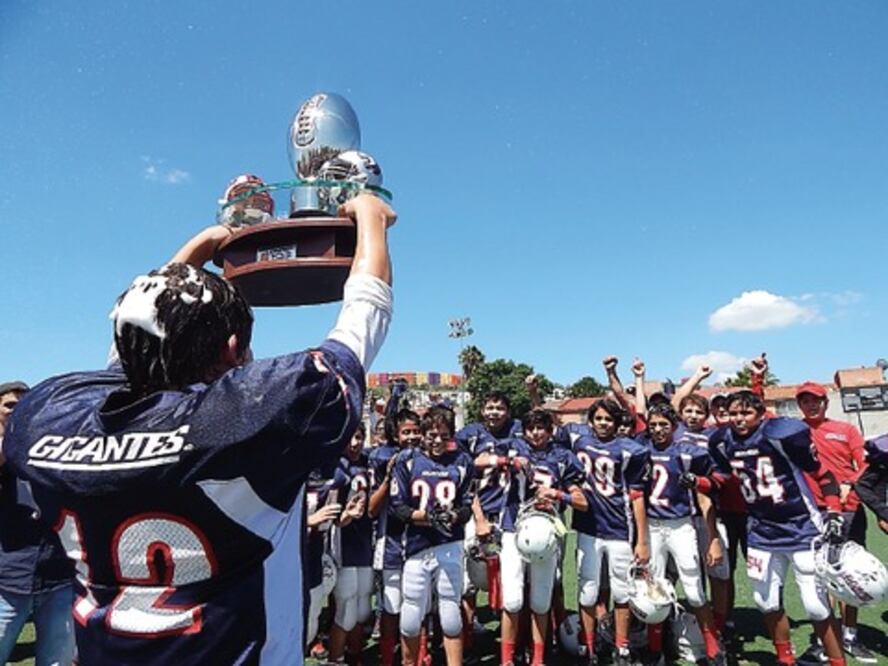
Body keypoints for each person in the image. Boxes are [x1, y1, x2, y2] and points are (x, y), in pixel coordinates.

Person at [3, 194, 396, 665]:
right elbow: (361, 321)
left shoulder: (44, 419)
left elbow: (128, 358)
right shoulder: (243, 428)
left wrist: (199, 246)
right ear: (232, 349)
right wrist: (371, 217)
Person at [708, 391, 847, 666]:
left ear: (761, 415)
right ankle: (785, 659)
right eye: (734, 413)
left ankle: (837, 661)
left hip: (801, 527)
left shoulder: (779, 435)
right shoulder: (722, 441)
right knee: (766, 601)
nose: (738, 419)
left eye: (746, 413)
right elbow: (720, 478)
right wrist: (699, 482)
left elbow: (823, 475)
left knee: (816, 606)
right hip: (761, 531)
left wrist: (833, 510)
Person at [498, 409, 587, 666]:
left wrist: (558, 495)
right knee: (512, 600)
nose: (535, 433)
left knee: (540, 600)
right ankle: (506, 660)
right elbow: (478, 460)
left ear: (550, 431)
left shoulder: (563, 456)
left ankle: (538, 659)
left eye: (541, 428)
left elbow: (582, 501)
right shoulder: (513, 447)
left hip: (546, 533)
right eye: (531, 428)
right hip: (513, 528)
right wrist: (506, 461)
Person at [794, 380, 874, 662]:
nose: (811, 405)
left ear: (825, 403)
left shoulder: (846, 429)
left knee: (851, 573)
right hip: (812, 512)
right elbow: (759, 416)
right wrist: (758, 380)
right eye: (805, 401)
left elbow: (866, 462)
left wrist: (850, 482)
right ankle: (824, 639)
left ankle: (850, 635)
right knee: (820, 575)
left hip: (848, 510)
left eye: (816, 400)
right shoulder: (795, 431)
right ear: (799, 405)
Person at [640, 403, 725, 666]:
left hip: (681, 525)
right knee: (653, 590)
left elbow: (710, 488)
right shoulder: (641, 450)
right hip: (652, 526)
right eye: (653, 425)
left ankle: (713, 647)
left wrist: (712, 538)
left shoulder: (689, 453)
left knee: (694, 589)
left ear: (674, 427)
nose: (658, 430)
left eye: (663, 425)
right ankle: (655, 649)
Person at [390, 407, 475, 666]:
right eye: (432, 435)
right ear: (423, 434)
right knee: (411, 613)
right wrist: (426, 517)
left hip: (449, 543)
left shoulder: (462, 461)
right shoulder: (407, 460)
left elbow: (467, 506)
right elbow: (398, 507)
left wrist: (452, 516)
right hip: (417, 545)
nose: (437, 441)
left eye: (444, 436)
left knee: (450, 612)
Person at [0, 381, 75, 666]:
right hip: (7, 580)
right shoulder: (12, 448)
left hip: (58, 577)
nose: (18, 410)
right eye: (10, 405)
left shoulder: (48, 447)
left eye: (25, 404)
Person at [572, 398, 650, 666]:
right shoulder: (579, 441)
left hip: (619, 528)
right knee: (587, 590)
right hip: (588, 527)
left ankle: (622, 647)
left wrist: (642, 540)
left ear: (617, 423)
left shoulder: (631, 451)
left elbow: (637, 496)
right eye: (599, 418)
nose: (603, 423)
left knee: (622, 592)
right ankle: (589, 647)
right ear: (591, 421)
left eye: (608, 419)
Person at [368, 406, 423, 666]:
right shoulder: (383, 458)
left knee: (420, 604)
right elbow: (371, 509)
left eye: (416, 431)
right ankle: (388, 659)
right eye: (406, 432)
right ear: (396, 434)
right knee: (392, 606)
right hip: (391, 540)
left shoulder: (427, 457)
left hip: (421, 541)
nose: (412, 437)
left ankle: (418, 657)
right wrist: (389, 476)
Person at [328, 424, 374, 665]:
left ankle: (356, 654)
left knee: (363, 607)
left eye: (358, 437)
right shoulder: (334, 465)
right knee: (346, 608)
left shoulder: (369, 462)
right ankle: (335, 657)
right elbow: (331, 515)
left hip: (365, 542)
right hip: (342, 543)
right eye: (349, 438)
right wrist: (346, 516)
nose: (354, 443)